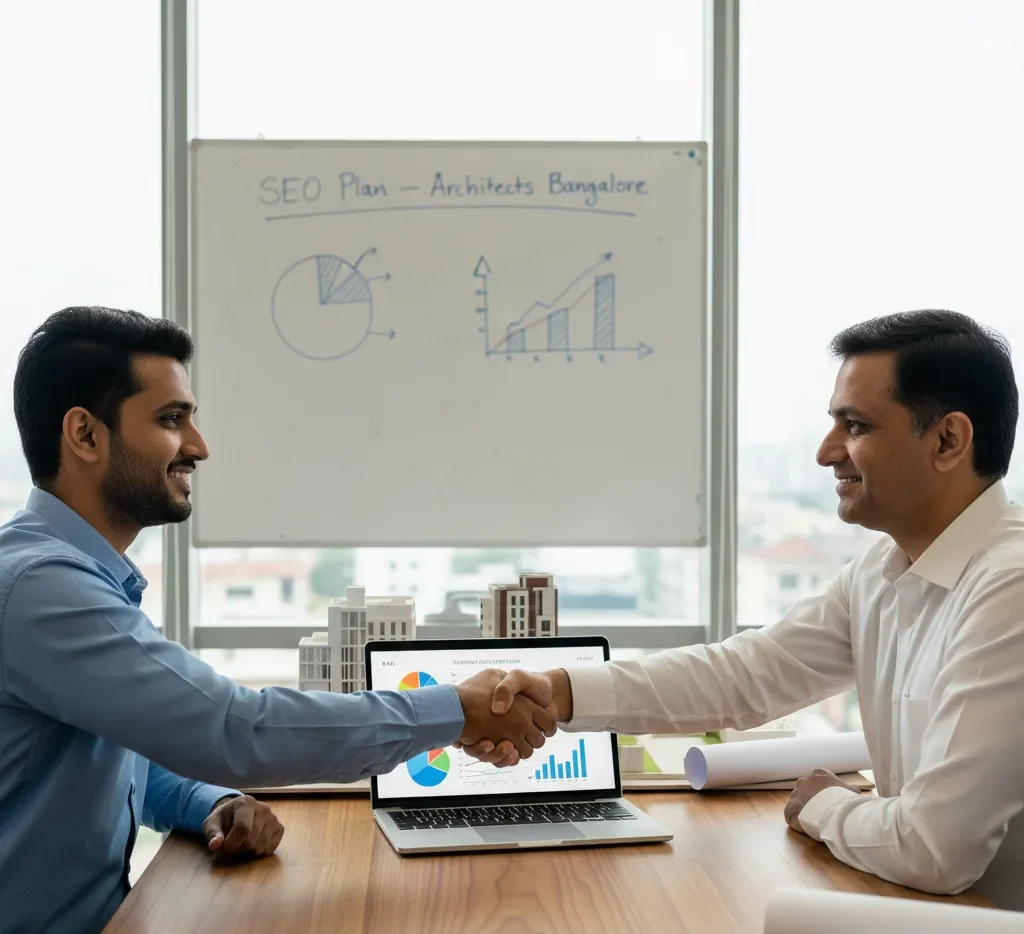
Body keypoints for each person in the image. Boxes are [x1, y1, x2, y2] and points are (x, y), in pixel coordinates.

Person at [0, 307, 556, 934]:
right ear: (85, 434)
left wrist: (209, 800)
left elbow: (123, 753)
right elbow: (236, 730)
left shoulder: (72, 575)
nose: (199, 446)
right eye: (170, 419)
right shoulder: (41, 588)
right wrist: (455, 709)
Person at [466, 310, 1024, 909]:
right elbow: (743, 674)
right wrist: (557, 690)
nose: (825, 451)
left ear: (948, 440)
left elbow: (932, 850)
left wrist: (825, 805)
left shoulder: (1008, 588)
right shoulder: (882, 571)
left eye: (856, 425)